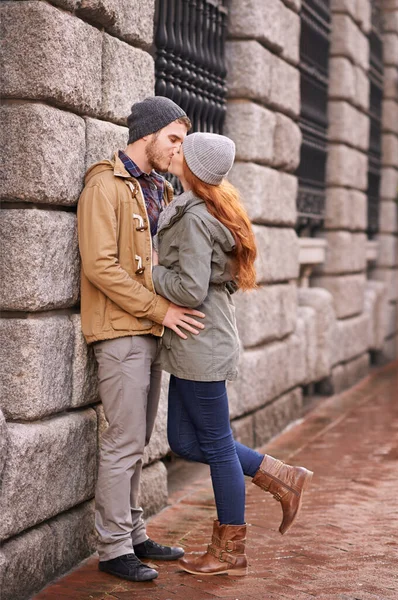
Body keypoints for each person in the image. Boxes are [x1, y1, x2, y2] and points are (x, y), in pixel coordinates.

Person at [152, 132, 313, 577]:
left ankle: (228, 552)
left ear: (195, 166)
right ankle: (278, 475)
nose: (175, 152)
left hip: (201, 343)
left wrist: (147, 273)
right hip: (193, 344)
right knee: (186, 442)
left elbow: (188, 288)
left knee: (218, 447)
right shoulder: (200, 207)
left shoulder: (195, 218)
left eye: (183, 149)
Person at [77, 97, 206, 583]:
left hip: (151, 330)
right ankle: (113, 548)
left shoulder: (158, 188)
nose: (178, 150)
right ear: (147, 134)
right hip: (121, 330)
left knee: (138, 442)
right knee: (124, 441)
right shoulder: (104, 183)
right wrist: (162, 309)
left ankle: (133, 533)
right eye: (173, 139)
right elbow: (100, 266)